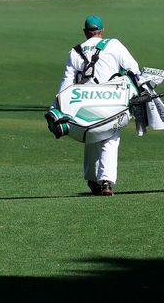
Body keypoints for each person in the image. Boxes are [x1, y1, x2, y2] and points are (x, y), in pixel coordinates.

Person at [58, 15, 140, 196]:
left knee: (90, 133)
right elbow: (134, 69)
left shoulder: (74, 51)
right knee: (110, 138)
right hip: (111, 100)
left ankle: (92, 179)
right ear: (102, 31)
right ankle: (106, 181)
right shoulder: (114, 44)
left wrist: (58, 108)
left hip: (84, 103)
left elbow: (66, 83)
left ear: (85, 33)